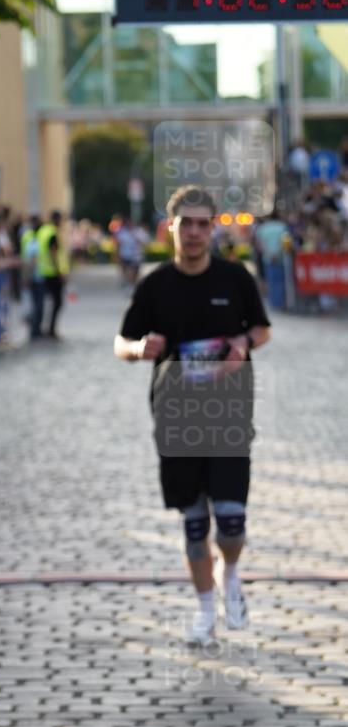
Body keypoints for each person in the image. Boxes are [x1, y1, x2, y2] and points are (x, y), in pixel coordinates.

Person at [114, 186, 271, 644]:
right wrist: (139, 349)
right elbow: (120, 343)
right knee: (196, 523)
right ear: (172, 227)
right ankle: (205, 611)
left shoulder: (235, 278)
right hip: (176, 417)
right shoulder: (155, 284)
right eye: (188, 224)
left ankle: (233, 574)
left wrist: (243, 344)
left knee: (232, 519)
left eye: (205, 223)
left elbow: (261, 330)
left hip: (228, 415)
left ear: (214, 227)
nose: (197, 232)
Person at [37, 210, 69, 339]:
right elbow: (53, 253)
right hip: (53, 273)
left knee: (44, 302)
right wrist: (59, 272)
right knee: (57, 302)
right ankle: (51, 329)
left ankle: (42, 328)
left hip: (43, 271)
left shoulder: (43, 231)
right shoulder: (52, 233)